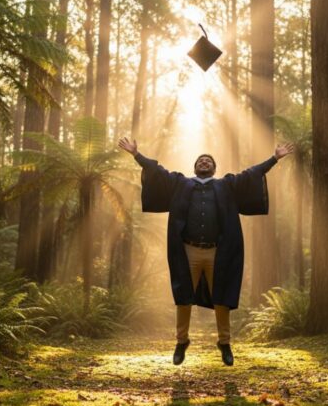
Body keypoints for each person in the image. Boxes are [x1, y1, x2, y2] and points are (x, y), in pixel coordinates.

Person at [118, 137, 293, 366]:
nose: (204, 162)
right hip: (188, 251)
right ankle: (181, 342)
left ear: (214, 167)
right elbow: (157, 172)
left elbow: (251, 174)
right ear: (195, 167)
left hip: (217, 253)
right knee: (183, 298)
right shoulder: (181, 183)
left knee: (221, 298)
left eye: (208, 160)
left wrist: (274, 158)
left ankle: (225, 343)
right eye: (200, 160)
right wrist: (136, 155)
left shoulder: (226, 185)